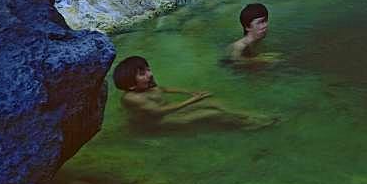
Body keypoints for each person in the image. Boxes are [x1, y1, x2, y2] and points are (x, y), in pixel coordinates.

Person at [112, 55, 274, 129]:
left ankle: (247, 114)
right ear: (131, 86)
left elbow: (165, 89)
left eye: (148, 69)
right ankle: (246, 124)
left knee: (213, 103)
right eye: (143, 73)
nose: (150, 74)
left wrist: (191, 92)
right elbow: (160, 111)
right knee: (208, 113)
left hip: (169, 111)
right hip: (157, 122)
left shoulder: (146, 84)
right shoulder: (132, 98)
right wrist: (193, 101)